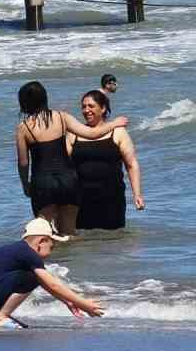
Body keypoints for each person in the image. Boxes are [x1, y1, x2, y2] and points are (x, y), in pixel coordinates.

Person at [13, 81, 126, 236]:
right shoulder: (61, 117)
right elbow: (91, 133)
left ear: (24, 103)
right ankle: (73, 260)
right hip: (69, 181)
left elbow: (23, 163)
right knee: (69, 233)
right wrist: (114, 123)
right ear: (45, 98)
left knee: (43, 233)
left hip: (43, 183)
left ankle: (53, 261)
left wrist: (26, 185)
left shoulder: (23, 128)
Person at [0, 218, 106, 329]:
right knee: (30, 277)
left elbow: (44, 283)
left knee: (30, 277)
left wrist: (68, 301)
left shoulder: (20, 250)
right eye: (52, 244)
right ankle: (1, 317)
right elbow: (52, 284)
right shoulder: (28, 253)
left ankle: (2, 316)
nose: (53, 248)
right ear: (41, 241)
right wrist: (85, 304)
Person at [68, 90, 145, 231]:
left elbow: (131, 164)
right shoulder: (74, 134)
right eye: (83, 106)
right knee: (84, 242)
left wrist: (137, 194)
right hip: (81, 199)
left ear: (103, 108)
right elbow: (63, 164)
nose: (86, 110)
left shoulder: (118, 132)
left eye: (91, 106)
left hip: (112, 197)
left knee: (114, 240)